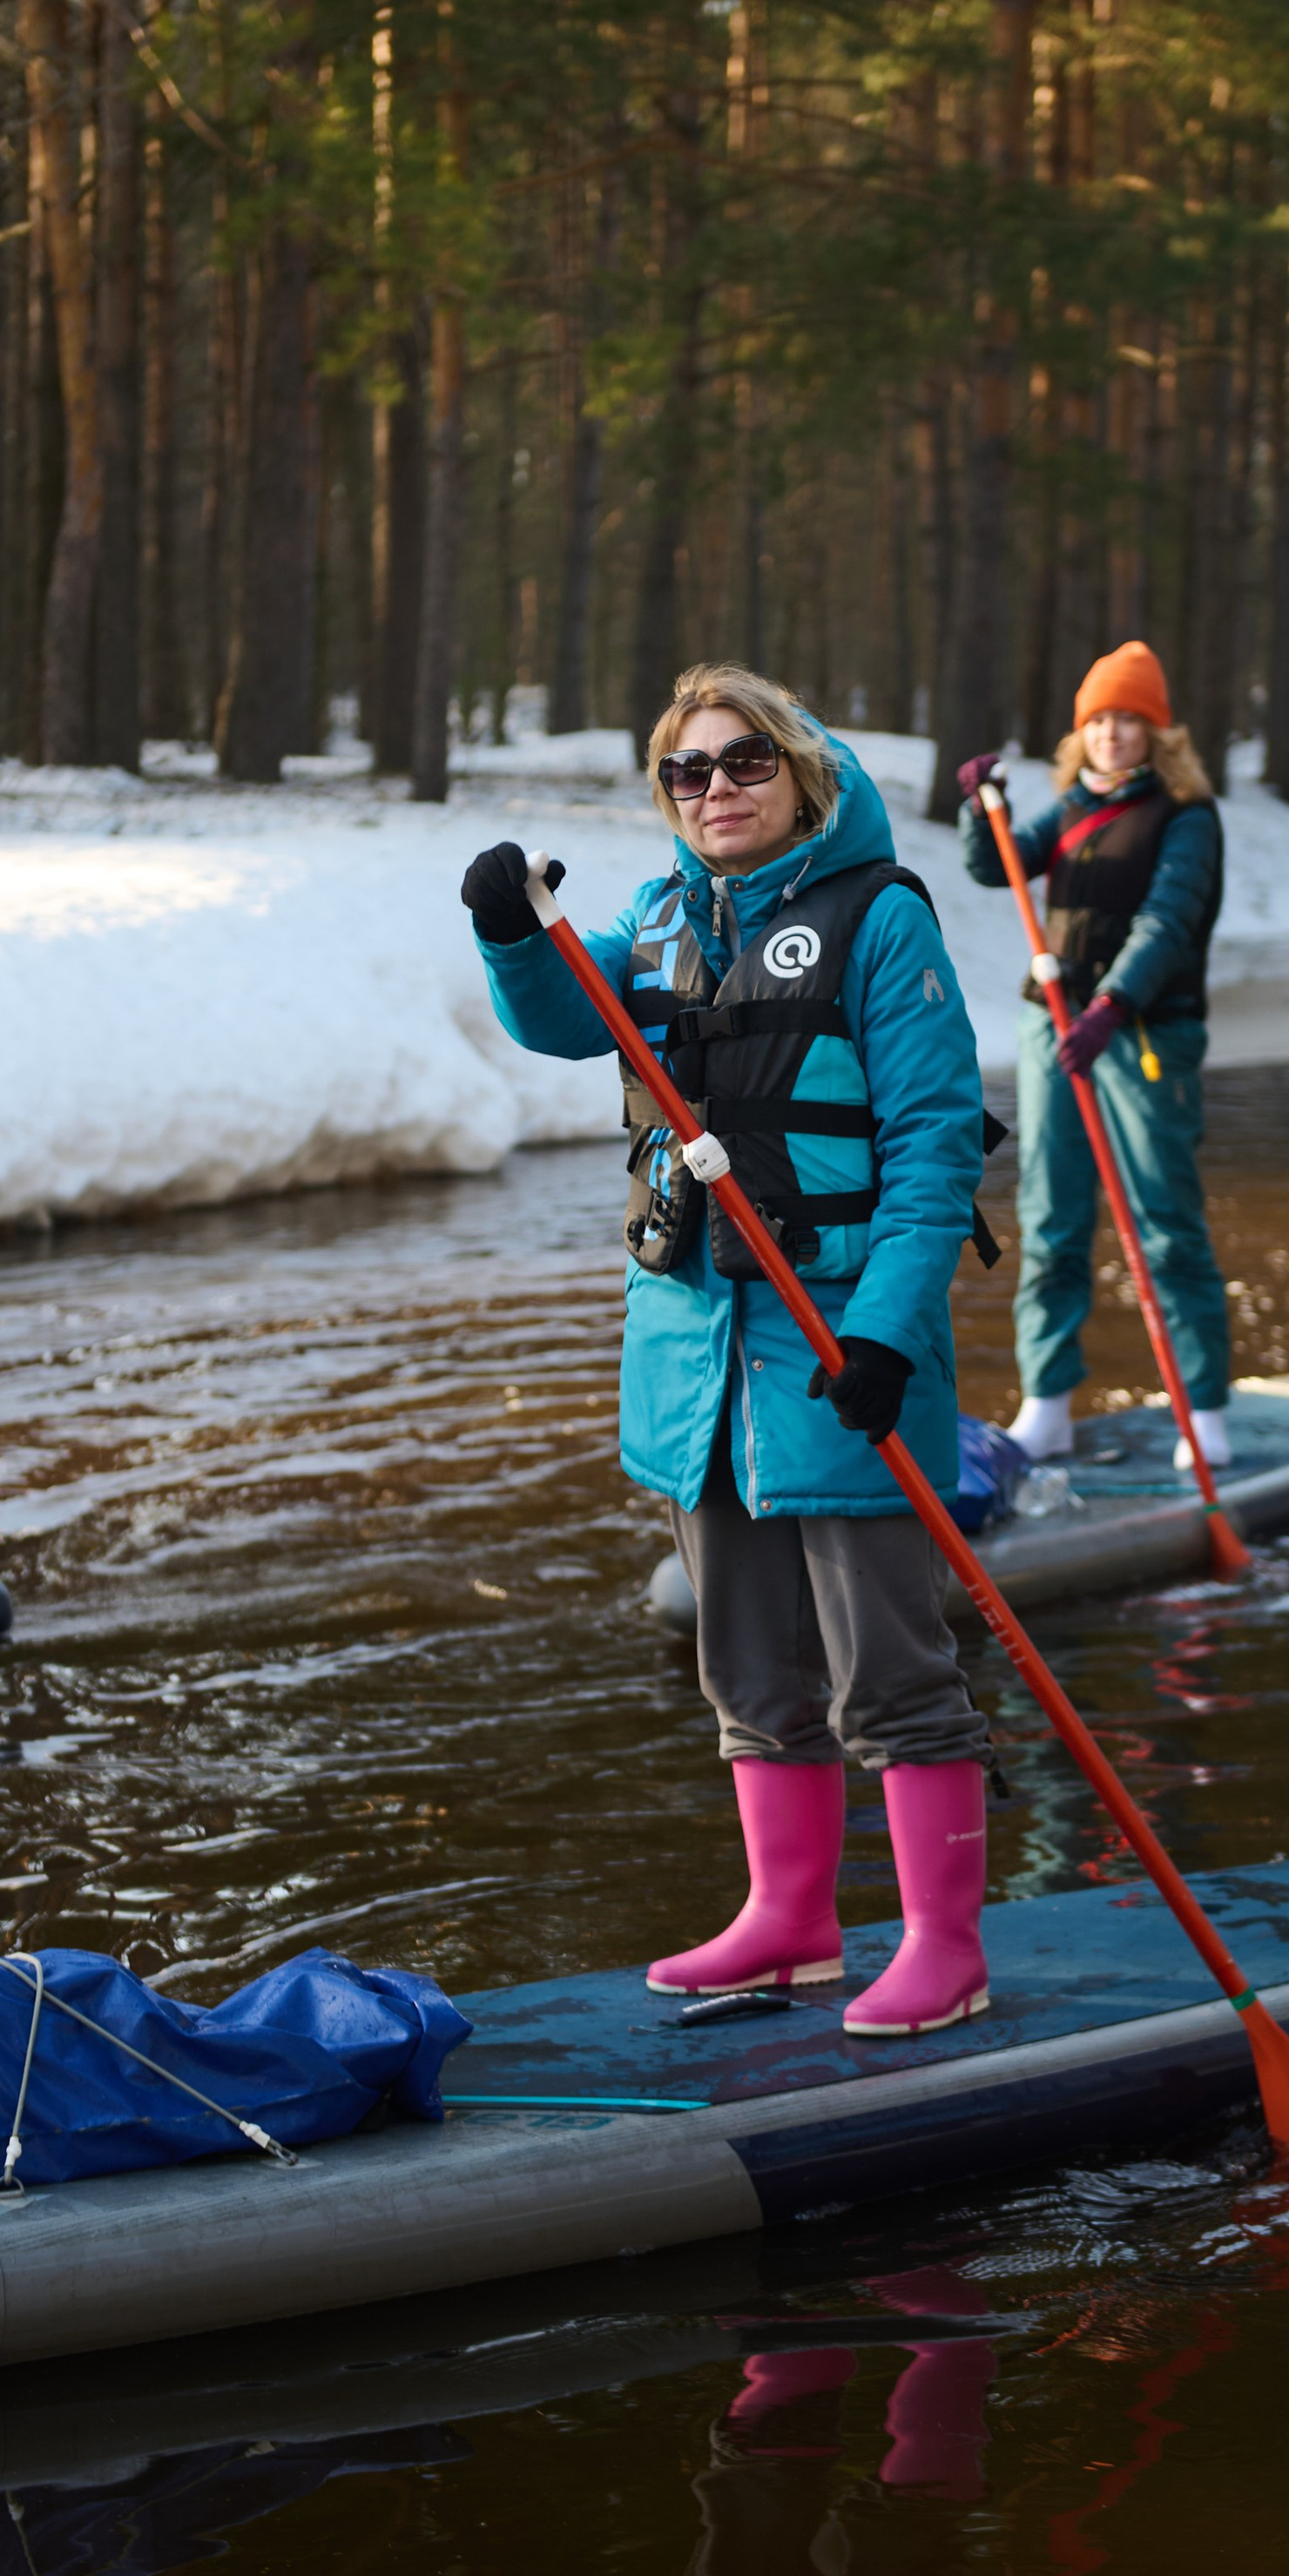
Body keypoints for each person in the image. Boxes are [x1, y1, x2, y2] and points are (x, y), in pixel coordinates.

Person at [461, 662, 994, 2036]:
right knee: (746, 1662)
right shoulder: (654, 919)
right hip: (696, 1351)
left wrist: (880, 1333)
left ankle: (944, 1944)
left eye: (744, 762)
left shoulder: (881, 921)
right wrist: (512, 937)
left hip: (834, 1354)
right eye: (689, 771)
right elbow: (572, 1023)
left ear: (803, 774)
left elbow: (937, 1152)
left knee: (893, 1672)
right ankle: (791, 1922)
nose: (716, 790)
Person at [956, 637, 1231, 1474]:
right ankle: (1048, 1406)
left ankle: (1204, 1408)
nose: (1113, 735)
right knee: (1051, 1215)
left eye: (1130, 720)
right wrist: (983, 809)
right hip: (1054, 1031)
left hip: (1141, 1036)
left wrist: (1112, 1005)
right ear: (1084, 732)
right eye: (1100, 720)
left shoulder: (1187, 817)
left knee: (1165, 1223)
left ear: (1158, 733)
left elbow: (1169, 920)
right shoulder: (1073, 805)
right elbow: (990, 867)